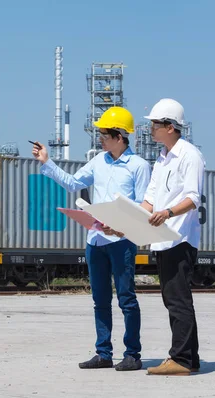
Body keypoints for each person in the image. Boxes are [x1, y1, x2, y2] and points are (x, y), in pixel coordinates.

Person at [32, 107, 151, 371]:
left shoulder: (139, 166)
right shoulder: (98, 161)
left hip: (122, 242)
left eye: (104, 134)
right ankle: (104, 353)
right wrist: (46, 162)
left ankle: (133, 354)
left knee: (126, 299)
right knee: (100, 300)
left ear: (120, 135)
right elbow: (73, 183)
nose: (100, 139)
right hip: (95, 241)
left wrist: (120, 227)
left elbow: (143, 207)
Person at [139, 98, 206, 376]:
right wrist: (125, 221)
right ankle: (190, 358)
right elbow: (150, 199)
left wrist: (167, 213)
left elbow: (193, 198)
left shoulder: (190, 155)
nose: (151, 130)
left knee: (178, 299)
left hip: (180, 238)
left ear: (170, 126)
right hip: (163, 239)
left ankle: (180, 358)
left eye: (154, 125)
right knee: (172, 298)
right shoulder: (162, 158)